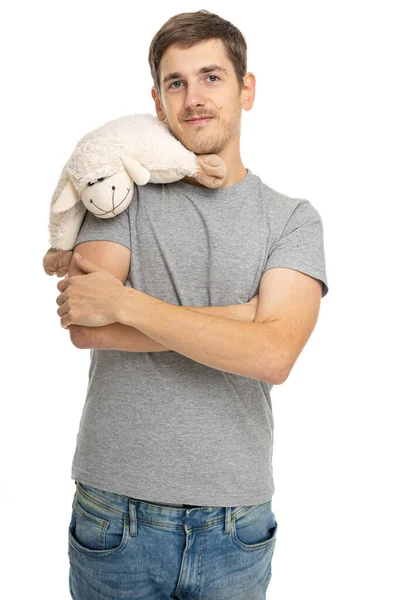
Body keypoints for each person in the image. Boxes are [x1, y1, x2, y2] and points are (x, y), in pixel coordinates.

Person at [45, 9, 329, 599]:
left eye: (211, 77)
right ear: (157, 100)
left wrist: (128, 302)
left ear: (246, 89)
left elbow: (275, 355)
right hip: (113, 512)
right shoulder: (121, 194)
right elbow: (87, 322)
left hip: (236, 520)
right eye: (176, 83)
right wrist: (241, 318)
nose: (193, 98)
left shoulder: (292, 219)